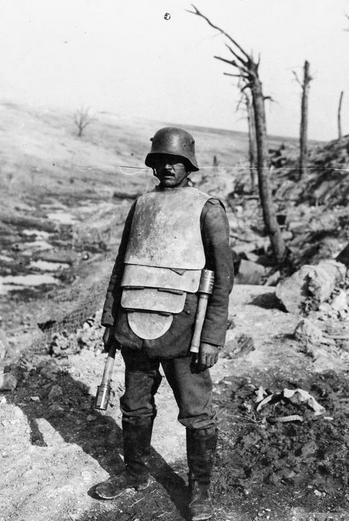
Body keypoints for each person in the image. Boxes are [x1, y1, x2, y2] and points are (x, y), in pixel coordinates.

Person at [95, 127, 234, 521]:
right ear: (152, 164)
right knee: (135, 405)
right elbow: (122, 267)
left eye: (175, 161)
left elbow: (223, 277)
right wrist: (110, 319)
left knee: (196, 412)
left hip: (185, 332)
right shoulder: (141, 205)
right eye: (161, 160)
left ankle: (199, 492)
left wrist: (211, 337)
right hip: (134, 325)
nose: (167, 167)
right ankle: (135, 472)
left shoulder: (208, 208)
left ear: (189, 165)